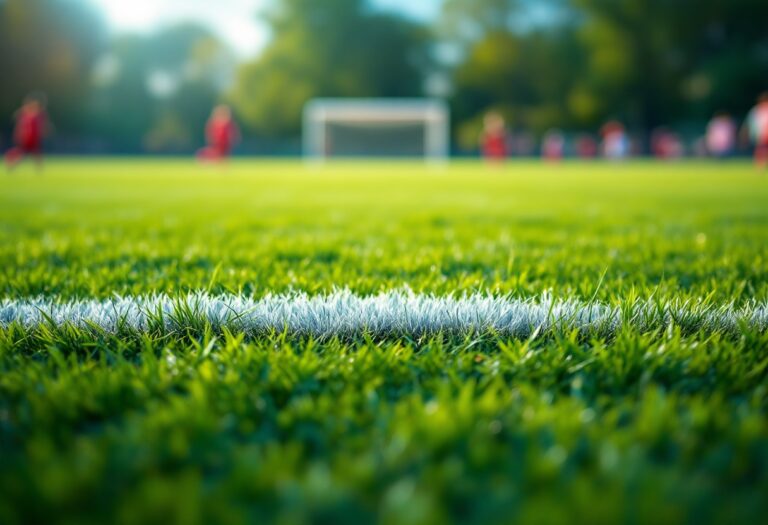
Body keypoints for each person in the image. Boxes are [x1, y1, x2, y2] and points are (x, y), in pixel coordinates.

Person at [4, 93, 51, 171]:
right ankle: (10, 160)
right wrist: (19, 134)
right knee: (24, 152)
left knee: (34, 152)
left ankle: (39, 169)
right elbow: (20, 125)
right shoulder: (26, 113)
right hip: (27, 137)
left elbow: (43, 125)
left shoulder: (39, 114)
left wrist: (45, 131)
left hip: (34, 137)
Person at [744, 92, 768, 168]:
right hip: (759, 134)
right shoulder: (755, 111)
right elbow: (749, 124)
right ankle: (760, 165)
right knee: (761, 149)